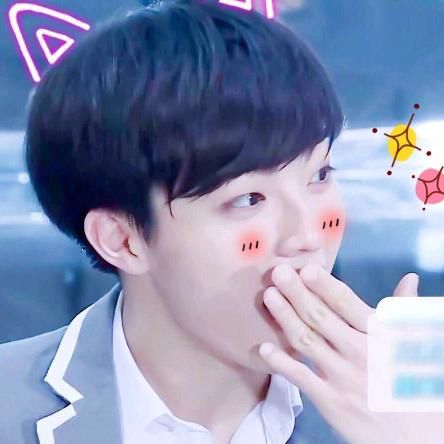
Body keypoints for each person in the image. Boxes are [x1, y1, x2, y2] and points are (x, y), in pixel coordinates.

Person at [0, 0, 433, 443]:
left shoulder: (419, 398)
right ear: (123, 240)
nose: (306, 236)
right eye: (248, 199)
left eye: (319, 175)